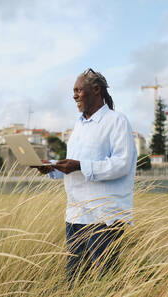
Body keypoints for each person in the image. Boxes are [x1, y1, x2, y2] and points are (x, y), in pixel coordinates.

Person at [34, 68, 137, 283]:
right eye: (73, 91)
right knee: (75, 281)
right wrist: (53, 167)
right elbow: (76, 167)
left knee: (105, 281)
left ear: (96, 90)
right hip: (75, 214)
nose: (74, 96)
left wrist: (79, 166)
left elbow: (121, 165)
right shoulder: (78, 126)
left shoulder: (116, 121)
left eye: (78, 90)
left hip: (103, 216)